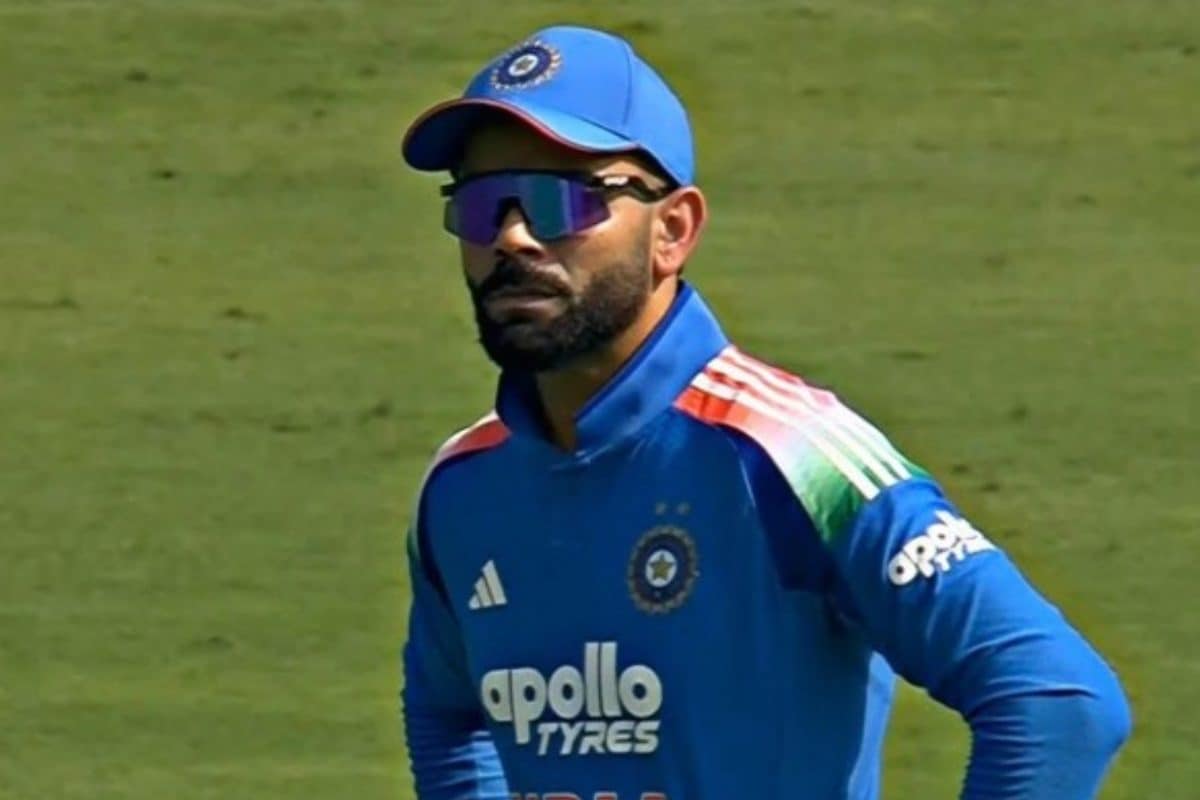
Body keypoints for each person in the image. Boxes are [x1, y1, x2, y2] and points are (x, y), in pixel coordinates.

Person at [397, 24, 1131, 800]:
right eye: (481, 206)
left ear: (672, 230)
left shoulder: (791, 454)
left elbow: (1060, 703)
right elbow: (448, 715)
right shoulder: (463, 487)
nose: (512, 236)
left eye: (560, 201)